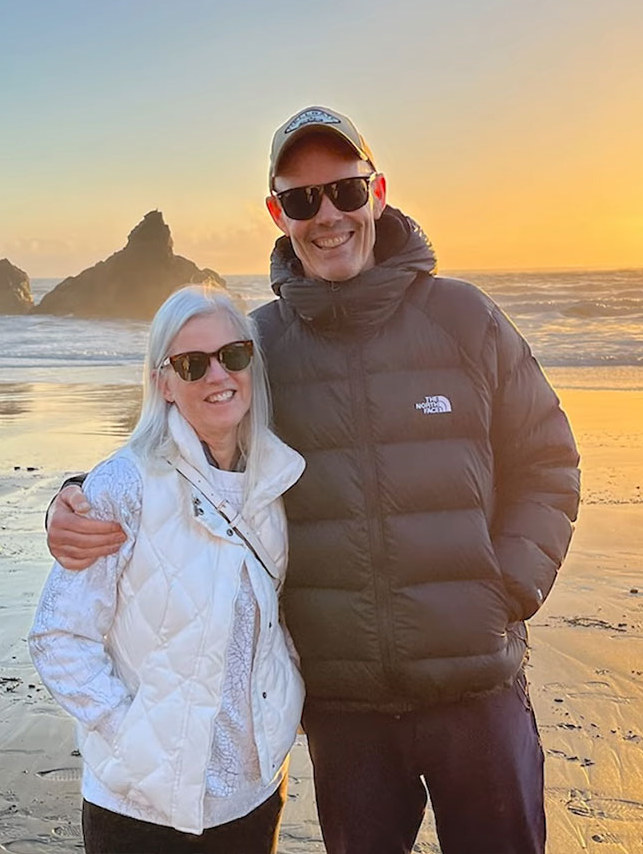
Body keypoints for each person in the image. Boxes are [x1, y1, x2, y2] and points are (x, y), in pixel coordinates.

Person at [46, 107, 580, 854]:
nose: (327, 215)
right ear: (278, 213)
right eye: (302, 199)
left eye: (345, 192)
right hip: (345, 710)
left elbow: (547, 461)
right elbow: (181, 441)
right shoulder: (257, 348)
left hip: (478, 692)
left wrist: (509, 587)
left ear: (378, 192)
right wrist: (72, 497)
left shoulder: (465, 319)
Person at [30, 285, 305, 854]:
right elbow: (58, 635)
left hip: (251, 794)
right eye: (191, 364)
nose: (217, 375)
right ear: (164, 382)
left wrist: (284, 709)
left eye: (232, 356)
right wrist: (135, 739)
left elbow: (274, 618)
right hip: (142, 805)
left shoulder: (275, 484)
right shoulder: (124, 484)